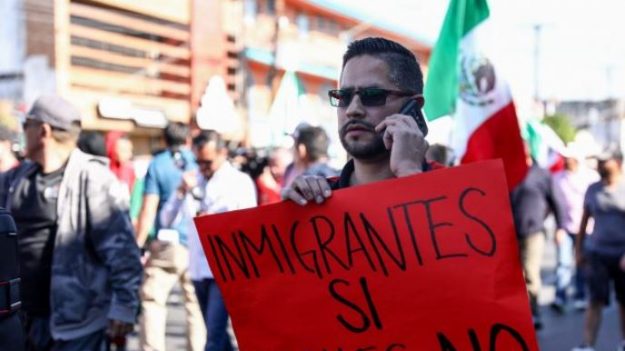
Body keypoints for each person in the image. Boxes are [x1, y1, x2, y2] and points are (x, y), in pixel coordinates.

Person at [0, 95, 142, 350]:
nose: (23, 133)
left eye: (26, 125)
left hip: (77, 322)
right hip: (22, 318)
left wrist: (124, 305)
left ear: (43, 130)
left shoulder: (94, 178)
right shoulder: (17, 179)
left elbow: (123, 251)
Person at [282, 36, 435, 203]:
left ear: (413, 106)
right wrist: (289, 215)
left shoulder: (456, 187)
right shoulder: (316, 200)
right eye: (344, 97)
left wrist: (410, 175)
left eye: (372, 95)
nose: (352, 110)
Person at [160, 130, 257, 350]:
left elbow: (248, 225)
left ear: (222, 153)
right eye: (198, 161)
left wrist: (216, 222)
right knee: (218, 334)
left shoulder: (239, 182)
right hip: (197, 267)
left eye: (207, 161)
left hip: (225, 268)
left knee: (213, 336)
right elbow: (166, 219)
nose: (203, 167)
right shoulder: (192, 180)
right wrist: (180, 193)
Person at [135, 122, 205, 351]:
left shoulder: (157, 164)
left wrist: (138, 245)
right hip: (196, 243)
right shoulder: (199, 162)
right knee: (195, 307)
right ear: (188, 140)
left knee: (153, 302)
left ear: (164, 141)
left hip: (168, 243)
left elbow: (148, 209)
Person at [572, 150, 625, 351]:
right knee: (595, 300)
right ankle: (587, 344)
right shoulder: (592, 189)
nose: (602, 165)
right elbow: (584, 221)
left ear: (618, 162)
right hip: (598, 253)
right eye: (600, 161)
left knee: (624, 301)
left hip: (621, 254)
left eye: (606, 161)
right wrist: (578, 250)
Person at [510, 146, 566, 330]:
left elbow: (556, 201)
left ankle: (533, 312)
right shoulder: (506, 171)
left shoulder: (541, 174)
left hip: (533, 232)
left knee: (530, 273)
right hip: (510, 232)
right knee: (514, 276)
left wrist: (560, 227)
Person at [552, 147, 598, 312]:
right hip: (565, 227)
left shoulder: (590, 177)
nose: (566, 161)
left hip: (586, 229)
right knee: (563, 262)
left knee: (582, 263)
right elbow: (554, 204)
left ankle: (580, 295)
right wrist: (558, 227)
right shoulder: (557, 179)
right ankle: (560, 296)